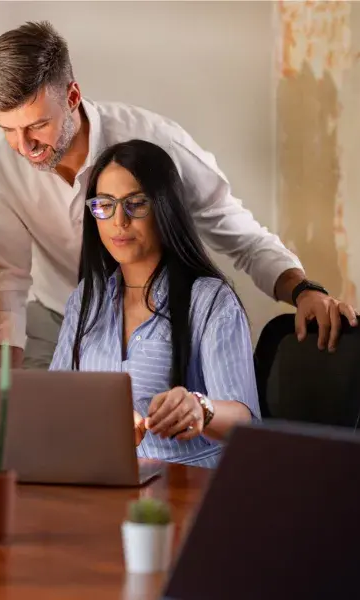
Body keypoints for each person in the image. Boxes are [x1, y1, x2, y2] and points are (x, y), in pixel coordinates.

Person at [0, 21, 359, 369]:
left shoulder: (156, 141)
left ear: (72, 96)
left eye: (38, 125)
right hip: (58, 316)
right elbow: (7, 276)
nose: (24, 146)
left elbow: (234, 229)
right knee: (35, 427)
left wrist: (304, 290)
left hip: (158, 319)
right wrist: (5, 386)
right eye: (8, 129)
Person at [50, 140, 260, 468]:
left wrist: (202, 408)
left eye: (135, 204)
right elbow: (54, 404)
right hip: (105, 481)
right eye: (105, 205)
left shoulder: (210, 301)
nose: (119, 221)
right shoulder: (86, 300)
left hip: (185, 486)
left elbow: (246, 426)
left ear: (164, 208)